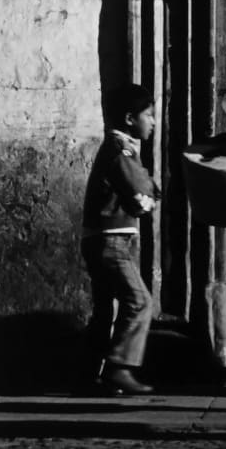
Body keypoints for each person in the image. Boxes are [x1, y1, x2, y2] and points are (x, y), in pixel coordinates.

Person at [81, 83, 160, 396]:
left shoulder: (117, 149)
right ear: (130, 118)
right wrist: (151, 197)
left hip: (99, 238)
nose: (153, 122)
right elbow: (141, 196)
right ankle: (119, 367)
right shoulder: (122, 151)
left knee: (105, 311)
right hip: (111, 241)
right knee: (139, 301)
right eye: (149, 115)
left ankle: (91, 374)